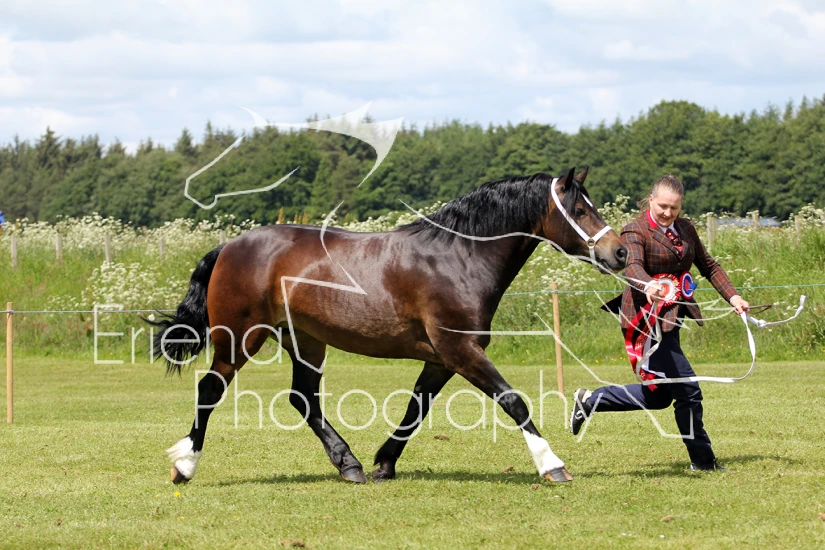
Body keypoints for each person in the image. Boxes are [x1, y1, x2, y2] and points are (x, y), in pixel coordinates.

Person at [570, 174, 749, 471]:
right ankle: (703, 461)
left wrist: (734, 297)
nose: (668, 212)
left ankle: (591, 400)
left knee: (660, 396)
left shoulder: (686, 229)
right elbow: (632, 267)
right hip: (645, 321)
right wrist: (649, 284)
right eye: (663, 206)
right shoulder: (635, 230)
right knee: (688, 390)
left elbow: (709, 266)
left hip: (671, 319)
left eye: (674, 208)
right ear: (651, 200)